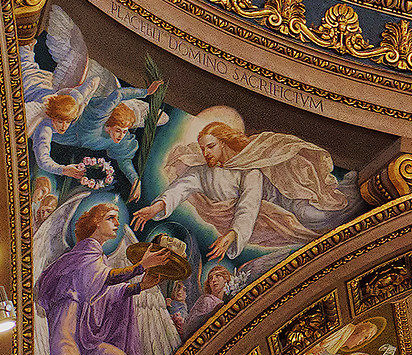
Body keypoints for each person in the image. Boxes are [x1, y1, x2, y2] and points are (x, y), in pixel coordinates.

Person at [132, 110, 353, 263]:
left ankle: (355, 200)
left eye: (211, 146)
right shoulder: (201, 172)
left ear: (224, 142)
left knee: (316, 214)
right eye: (203, 149)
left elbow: (249, 202)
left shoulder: (248, 166)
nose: (206, 153)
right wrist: (156, 208)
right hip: (273, 214)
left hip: (287, 199)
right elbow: (179, 188)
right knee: (318, 223)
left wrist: (232, 234)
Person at [36, 201, 177, 355]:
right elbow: (104, 278)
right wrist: (140, 267)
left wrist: (139, 287)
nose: (116, 223)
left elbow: (104, 295)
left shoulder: (99, 258)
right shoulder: (83, 254)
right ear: (95, 222)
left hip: (84, 335)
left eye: (116, 218)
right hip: (66, 328)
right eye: (110, 217)